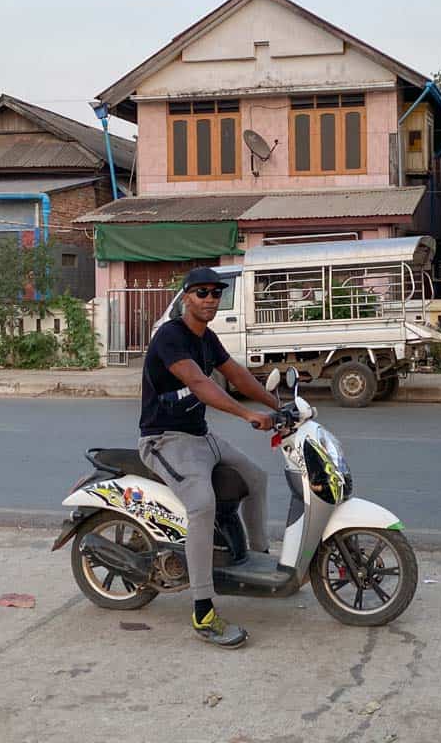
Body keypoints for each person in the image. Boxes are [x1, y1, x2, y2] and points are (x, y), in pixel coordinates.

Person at [138, 266, 278, 649]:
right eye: (202, 292)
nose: (210, 299)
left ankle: (257, 561)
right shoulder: (170, 337)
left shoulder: (208, 338)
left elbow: (237, 375)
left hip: (201, 437)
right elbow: (200, 384)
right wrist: (248, 414)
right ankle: (202, 607)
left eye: (216, 292)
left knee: (257, 479)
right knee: (202, 505)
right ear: (186, 297)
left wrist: (279, 404)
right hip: (166, 440)